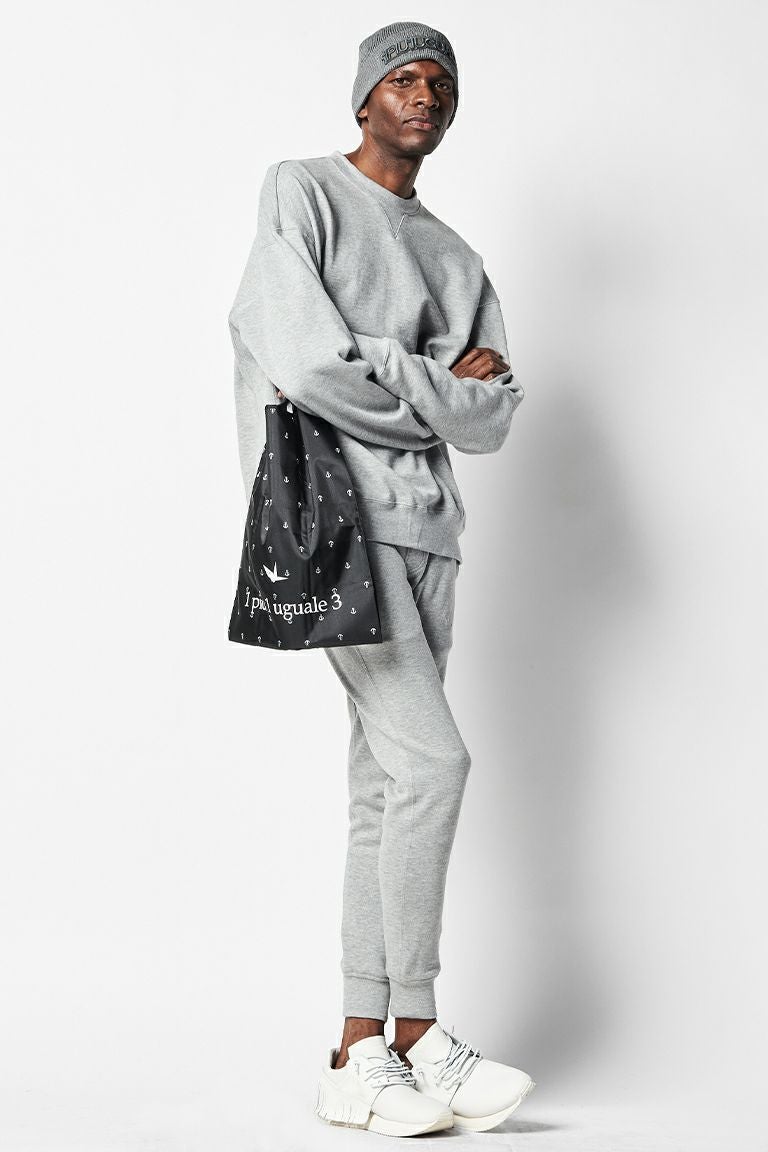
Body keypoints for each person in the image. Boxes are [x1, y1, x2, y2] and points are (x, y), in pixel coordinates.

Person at [228, 20, 535, 1138]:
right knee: (437, 764)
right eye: (403, 78)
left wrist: (393, 370)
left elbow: (493, 417)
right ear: (364, 99)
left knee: (385, 788)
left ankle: (358, 1053)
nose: (424, 95)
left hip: (434, 534)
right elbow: (306, 361)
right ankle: (418, 1030)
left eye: (441, 82)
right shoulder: (303, 192)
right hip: (338, 527)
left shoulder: (457, 257)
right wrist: (429, 376)